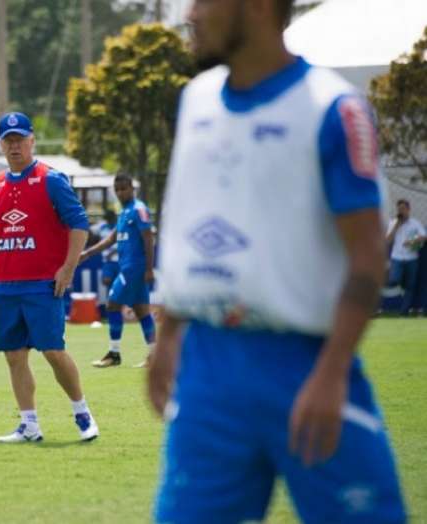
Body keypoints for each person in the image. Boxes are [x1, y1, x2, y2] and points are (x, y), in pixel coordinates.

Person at [147, 1, 406, 522]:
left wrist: (332, 372)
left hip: (305, 365)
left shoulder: (334, 108)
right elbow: (187, 223)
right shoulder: (195, 100)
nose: (192, 13)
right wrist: (169, 331)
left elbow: (367, 253)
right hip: (209, 367)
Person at [0, 111, 99, 443]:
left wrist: (67, 269)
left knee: (53, 350)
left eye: (20, 139)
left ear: (31, 141)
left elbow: (80, 225)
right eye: (8, 140)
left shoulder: (50, 179)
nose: (15, 146)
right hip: (7, 286)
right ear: (1, 144)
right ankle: (29, 425)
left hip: (43, 284)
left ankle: (82, 413)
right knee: (13, 355)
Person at [81, 175, 156, 368]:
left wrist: (149, 268)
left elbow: (148, 239)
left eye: (124, 188)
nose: (121, 192)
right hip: (129, 267)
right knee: (141, 311)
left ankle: (114, 354)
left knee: (113, 304)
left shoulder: (139, 210)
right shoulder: (124, 213)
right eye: (118, 189)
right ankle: (155, 356)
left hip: (134, 268)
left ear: (132, 188)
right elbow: (110, 239)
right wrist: (88, 253)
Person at [385, 199, 425, 315]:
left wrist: (413, 241)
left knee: (410, 286)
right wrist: (396, 225)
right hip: (397, 257)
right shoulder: (393, 222)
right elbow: (388, 240)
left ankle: (404, 312)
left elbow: (423, 236)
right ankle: (401, 282)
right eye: (399, 209)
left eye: (403, 209)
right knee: (393, 280)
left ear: (408, 209)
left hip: (411, 258)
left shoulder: (415, 223)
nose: (401, 211)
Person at [92, 209, 120, 289]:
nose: (109, 221)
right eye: (108, 219)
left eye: (111, 218)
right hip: (107, 261)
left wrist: (113, 253)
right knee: (106, 281)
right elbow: (90, 231)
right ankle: (111, 299)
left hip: (120, 260)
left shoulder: (120, 227)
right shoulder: (102, 227)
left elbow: (124, 244)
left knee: (120, 285)